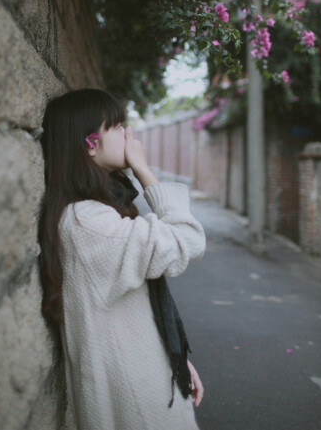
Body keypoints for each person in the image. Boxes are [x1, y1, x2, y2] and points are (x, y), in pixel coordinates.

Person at [38, 87, 206, 430]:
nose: (129, 136)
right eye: (117, 127)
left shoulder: (94, 213)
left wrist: (173, 358)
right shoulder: (86, 223)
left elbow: (136, 303)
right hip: (136, 399)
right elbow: (186, 239)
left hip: (146, 378)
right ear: (90, 143)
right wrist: (145, 171)